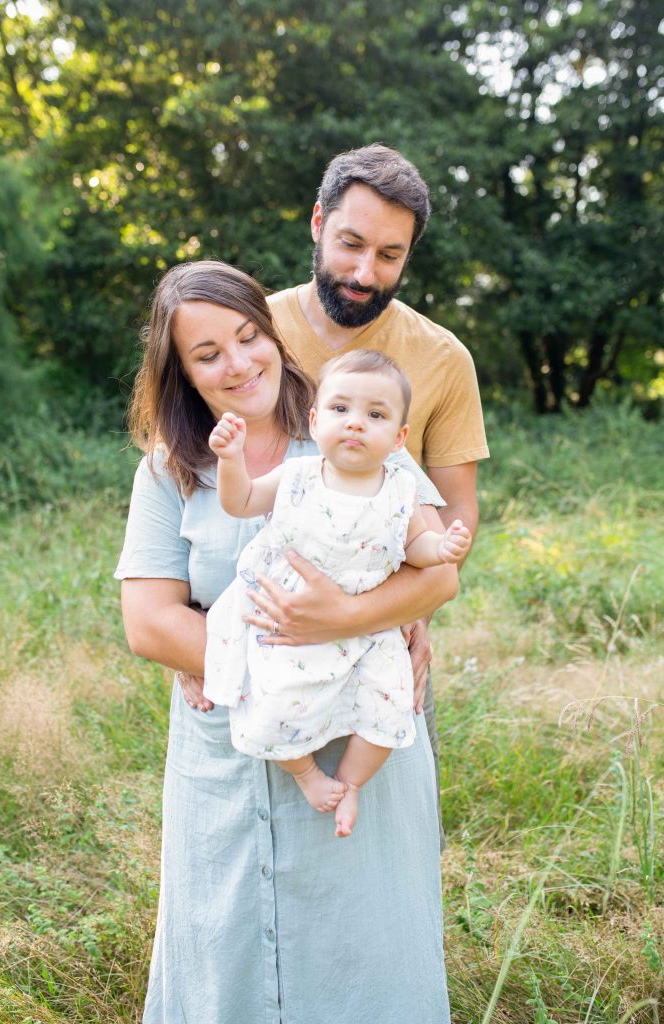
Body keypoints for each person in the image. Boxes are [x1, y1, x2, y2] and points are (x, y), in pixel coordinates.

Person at [115, 258, 456, 1023]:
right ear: (182, 373)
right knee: (229, 955)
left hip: (357, 737)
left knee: (364, 954)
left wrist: (340, 623)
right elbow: (149, 622)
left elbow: (435, 578)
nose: (238, 364)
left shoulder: (355, 424)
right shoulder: (170, 472)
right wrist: (260, 657)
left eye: (248, 337)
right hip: (228, 743)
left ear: (272, 334)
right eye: (208, 354)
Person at [266, 143, 490, 833]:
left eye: (389, 255)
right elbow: (189, 483)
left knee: (386, 849)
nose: (365, 273)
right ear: (316, 223)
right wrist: (197, 638)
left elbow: (456, 512)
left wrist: (406, 610)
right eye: (350, 244)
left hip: (383, 643)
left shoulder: (443, 358)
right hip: (264, 638)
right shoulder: (250, 334)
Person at [205, 349, 472, 837]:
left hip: (368, 623)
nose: (355, 423)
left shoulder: (400, 490)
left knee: (391, 701)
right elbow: (240, 501)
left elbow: (415, 546)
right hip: (290, 616)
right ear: (315, 420)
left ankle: (350, 783)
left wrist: (441, 548)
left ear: (399, 438)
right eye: (340, 409)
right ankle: (306, 773)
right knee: (276, 700)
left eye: (375, 415)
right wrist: (230, 460)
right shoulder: (297, 476)